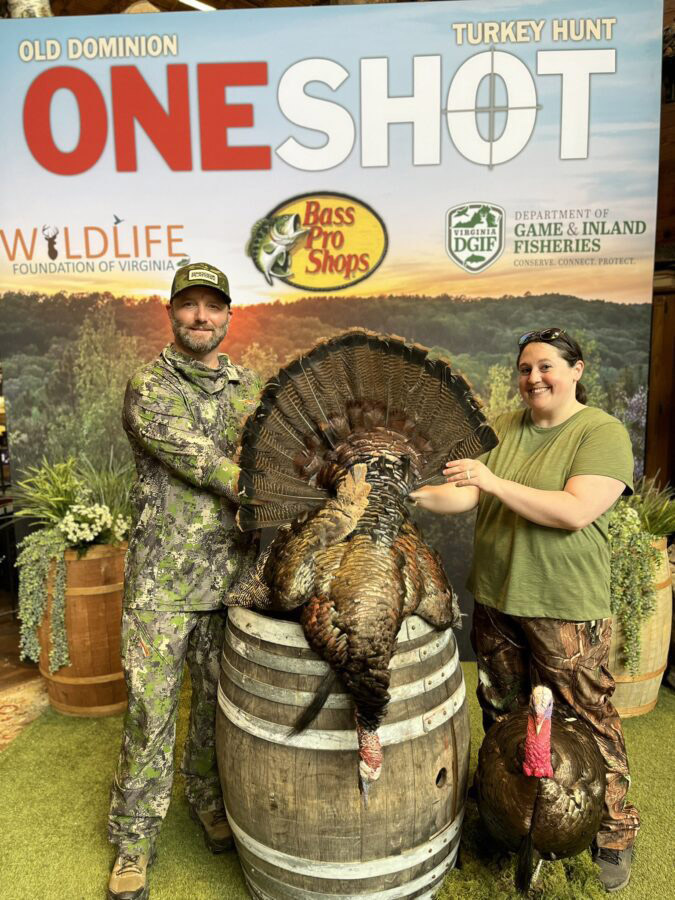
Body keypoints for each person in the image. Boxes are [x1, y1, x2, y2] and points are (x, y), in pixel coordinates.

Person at [411, 328, 639, 892]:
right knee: (505, 717)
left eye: (546, 367)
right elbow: (465, 494)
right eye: (524, 369)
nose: (533, 378)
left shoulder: (601, 432)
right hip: (496, 597)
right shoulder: (504, 428)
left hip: (564, 605)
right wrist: (403, 492)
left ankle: (613, 830)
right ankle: (506, 818)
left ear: (577, 370)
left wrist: (492, 479)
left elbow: (573, 511)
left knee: (588, 720)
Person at [107, 262, 261, 900]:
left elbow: (273, 445)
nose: (201, 316)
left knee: (214, 711)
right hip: (160, 589)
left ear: (229, 315)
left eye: (212, 306)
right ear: (170, 313)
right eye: (189, 305)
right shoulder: (148, 385)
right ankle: (134, 840)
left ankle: (206, 800)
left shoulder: (248, 387)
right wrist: (255, 486)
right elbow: (194, 456)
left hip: (228, 581)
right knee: (150, 712)